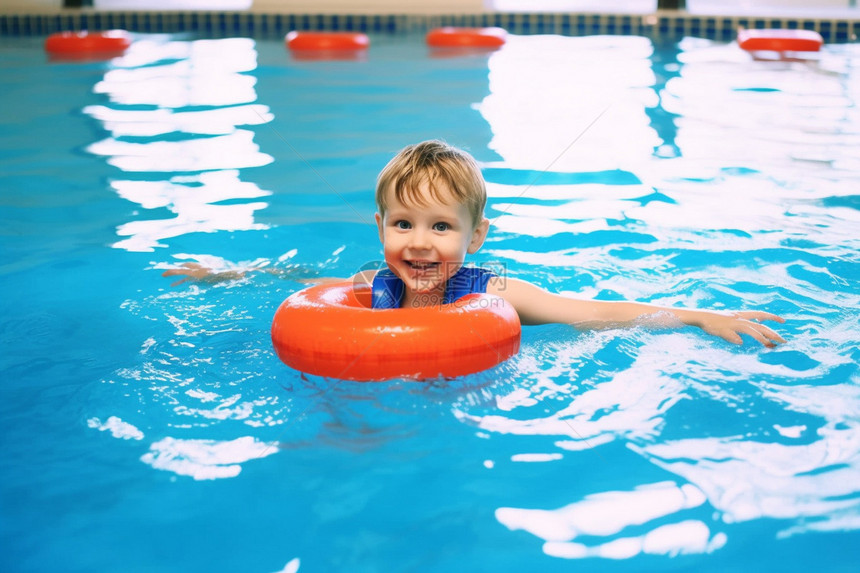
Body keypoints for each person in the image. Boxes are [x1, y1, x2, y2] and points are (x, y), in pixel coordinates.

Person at [166, 140, 785, 347]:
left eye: (441, 227)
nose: (420, 244)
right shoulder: (371, 287)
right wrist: (227, 275)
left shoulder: (494, 290)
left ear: (475, 235)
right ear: (380, 228)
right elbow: (301, 284)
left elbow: (595, 313)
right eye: (403, 224)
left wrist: (703, 317)